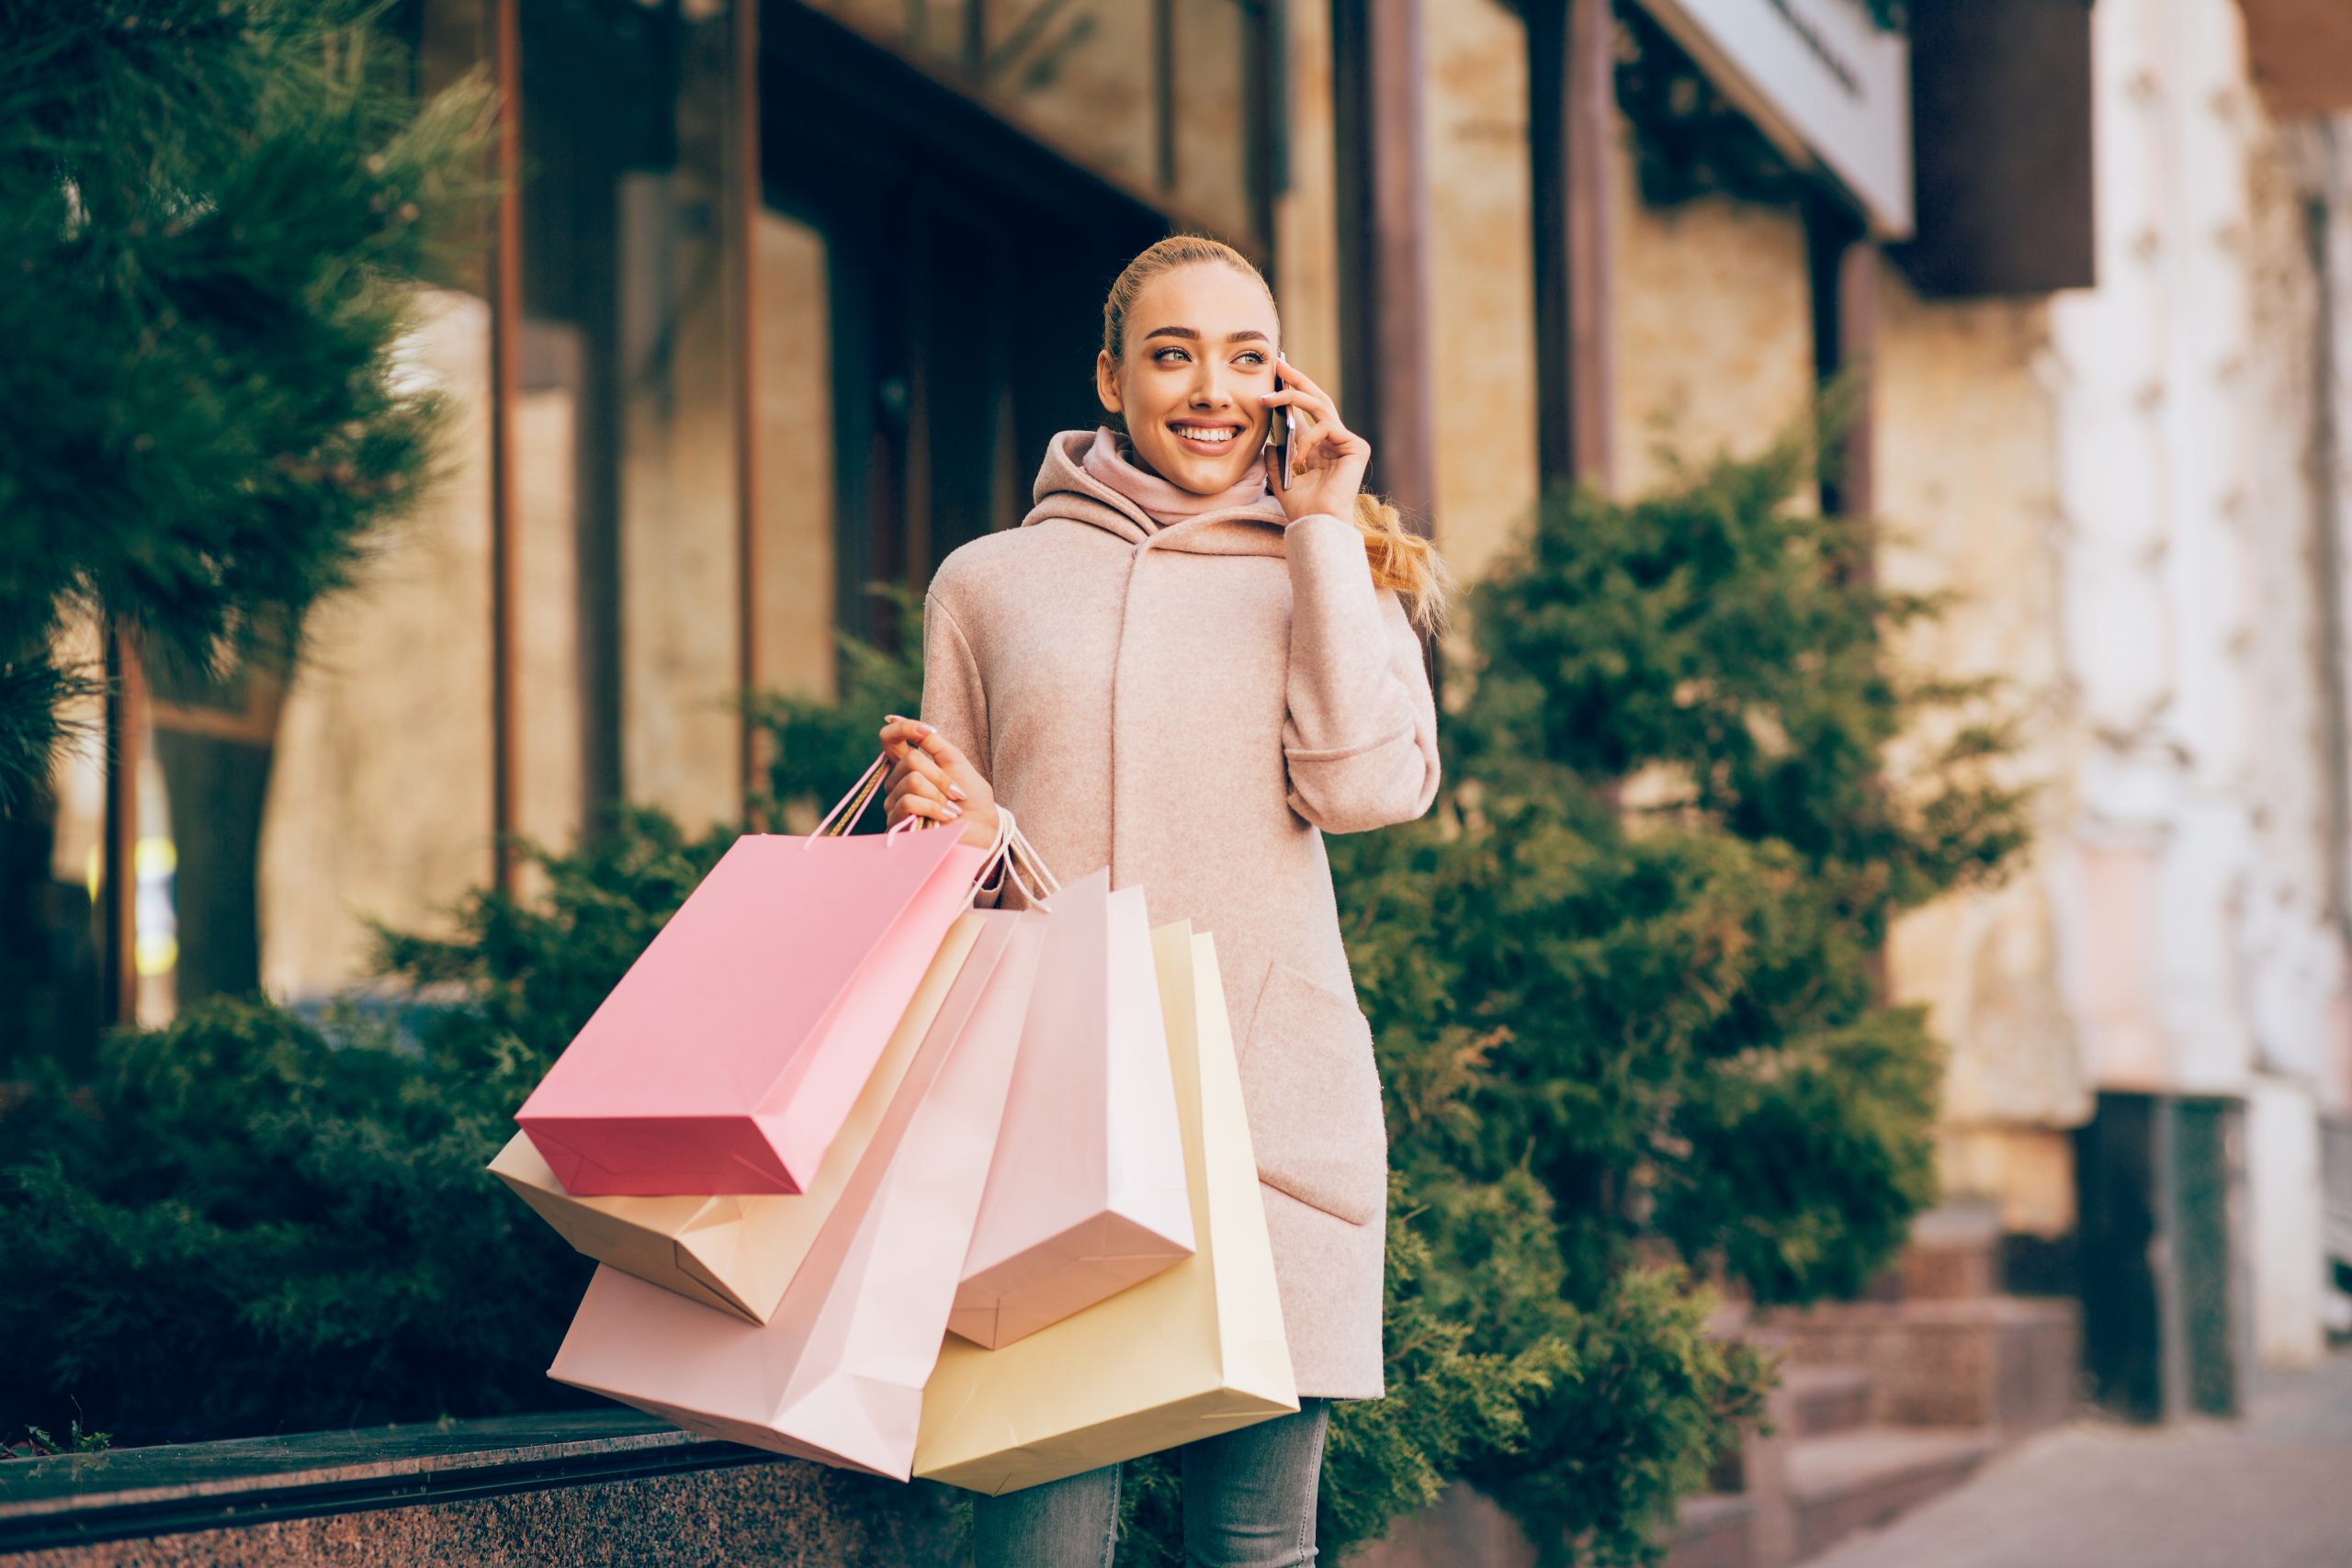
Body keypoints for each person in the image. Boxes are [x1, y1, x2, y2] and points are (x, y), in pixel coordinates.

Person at [878, 233, 1448, 1567]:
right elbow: (946, 882)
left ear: (1284, 382)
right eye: (1173, 355)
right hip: (1052, 1116)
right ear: (1111, 379)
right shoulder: (988, 582)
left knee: (1252, 1551)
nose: (1211, 389)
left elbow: (1366, 787)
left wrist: (1321, 526)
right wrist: (961, 829)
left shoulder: (1335, 569)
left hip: (1269, 1122)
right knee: (1039, 1550)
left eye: (1247, 357)